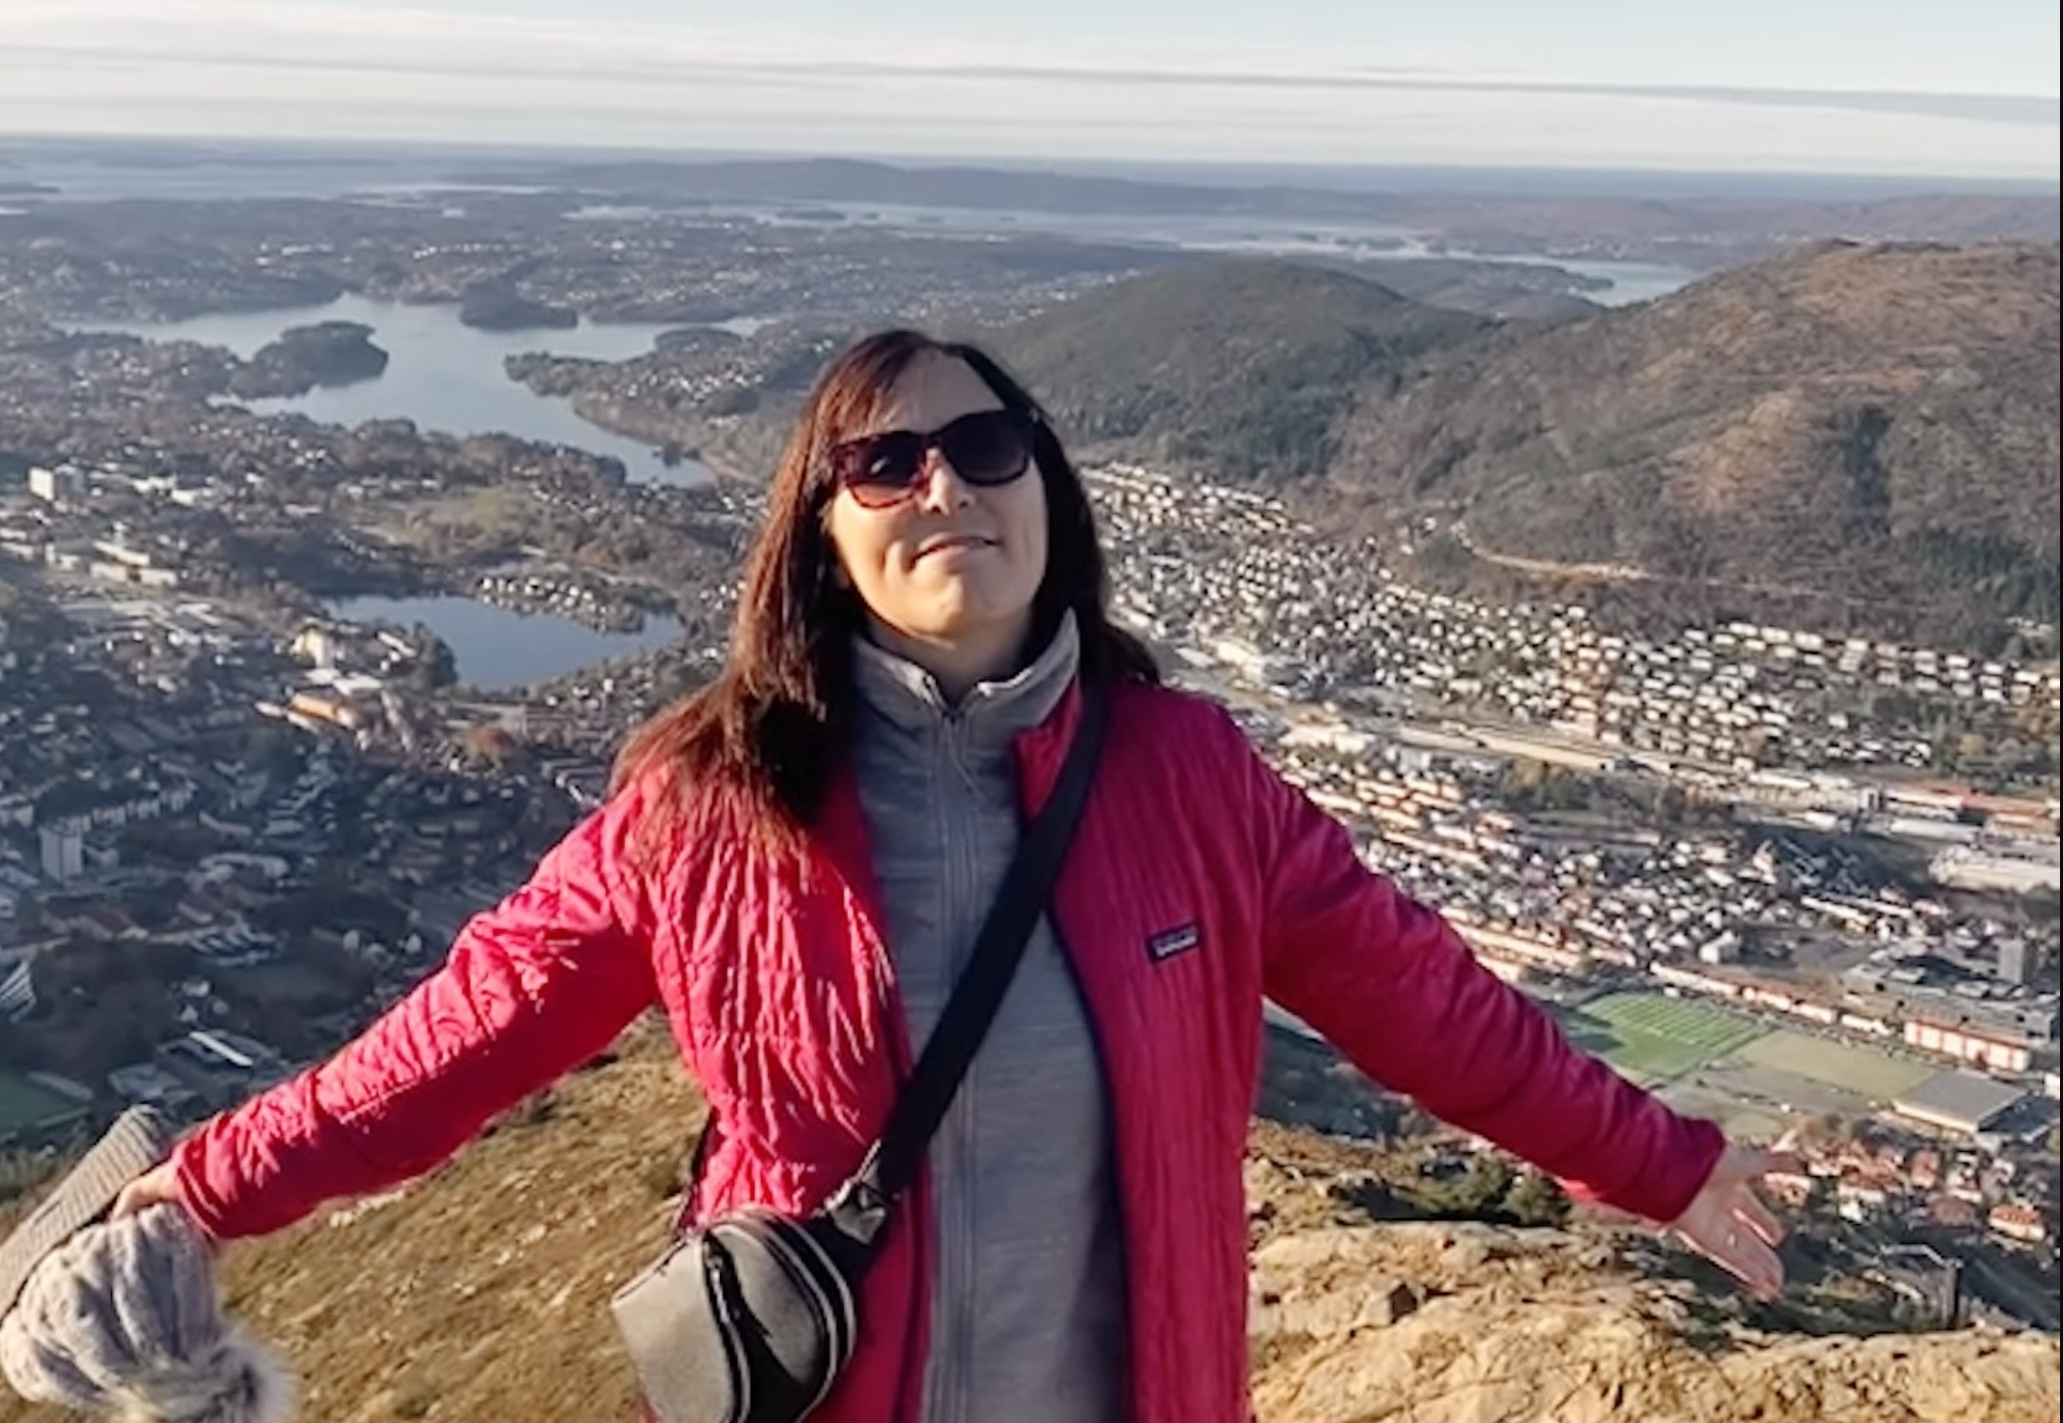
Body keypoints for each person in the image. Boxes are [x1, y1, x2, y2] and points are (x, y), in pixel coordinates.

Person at [114, 328, 1791, 1423]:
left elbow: (1422, 1006)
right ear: (821, 530)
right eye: (883, 463)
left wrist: (1655, 1160)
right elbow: (463, 1037)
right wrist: (205, 1188)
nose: (944, 487)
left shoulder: (1187, 777)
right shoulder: (709, 802)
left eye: (988, 451)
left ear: (1047, 496)